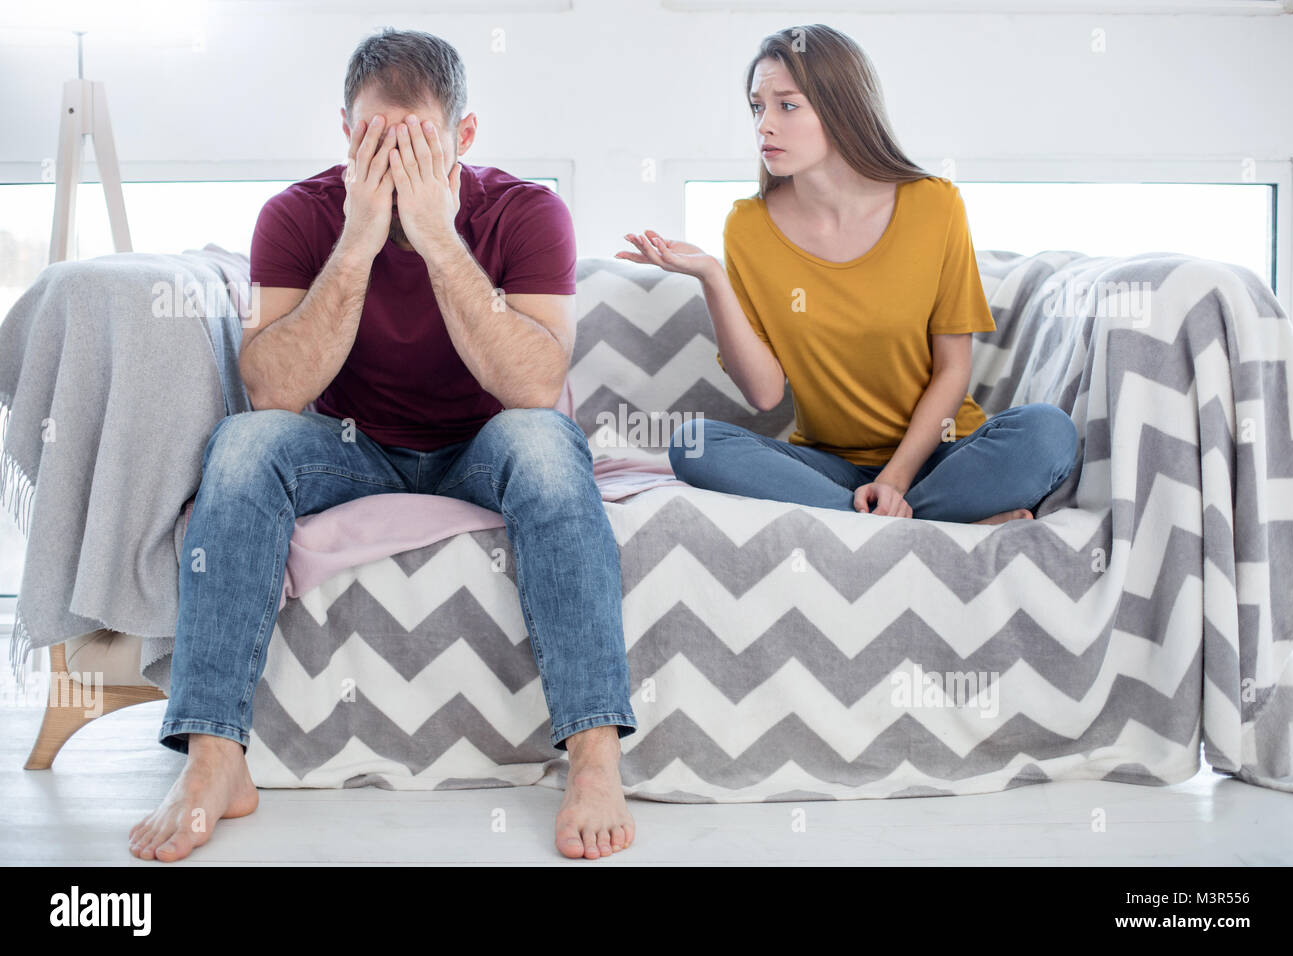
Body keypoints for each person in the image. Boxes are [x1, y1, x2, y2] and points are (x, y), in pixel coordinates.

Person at [129, 28, 635, 863]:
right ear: (344, 131)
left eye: (416, 140)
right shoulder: (298, 214)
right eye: (371, 138)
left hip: (485, 444)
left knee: (547, 443)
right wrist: (359, 239)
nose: (391, 158)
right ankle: (215, 757)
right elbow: (275, 391)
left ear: (463, 138)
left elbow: (535, 388)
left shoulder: (527, 211)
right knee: (245, 444)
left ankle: (592, 757)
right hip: (348, 449)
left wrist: (439, 238)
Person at [619, 24, 1078, 524]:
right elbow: (766, 393)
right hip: (828, 468)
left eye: (787, 106)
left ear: (842, 109)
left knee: (1048, 432)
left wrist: (896, 480)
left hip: (940, 457)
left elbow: (953, 369)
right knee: (695, 444)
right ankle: (935, 526)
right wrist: (711, 276)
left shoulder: (935, 204)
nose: (764, 125)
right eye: (757, 107)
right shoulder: (746, 226)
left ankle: (874, 522)